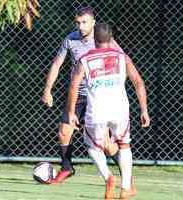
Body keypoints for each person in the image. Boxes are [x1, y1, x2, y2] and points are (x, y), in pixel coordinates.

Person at [67, 23, 150, 199]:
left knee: (92, 146)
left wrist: (71, 112)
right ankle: (126, 187)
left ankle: (108, 177)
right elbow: (138, 83)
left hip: (97, 110)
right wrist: (144, 110)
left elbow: (74, 86)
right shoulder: (122, 57)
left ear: (94, 40)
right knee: (124, 144)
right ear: (111, 39)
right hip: (120, 109)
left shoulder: (84, 59)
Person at [41, 7, 124, 184]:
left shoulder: (103, 40)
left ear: (93, 22)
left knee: (106, 145)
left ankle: (126, 173)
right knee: (64, 132)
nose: (81, 26)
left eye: (84, 22)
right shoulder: (70, 39)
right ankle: (66, 167)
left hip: (98, 98)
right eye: (78, 22)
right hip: (77, 95)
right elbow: (57, 64)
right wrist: (47, 90)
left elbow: (121, 60)